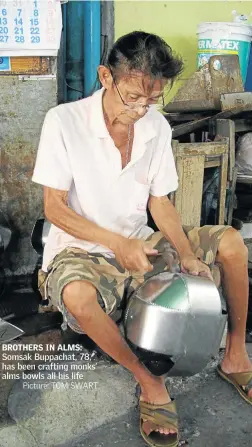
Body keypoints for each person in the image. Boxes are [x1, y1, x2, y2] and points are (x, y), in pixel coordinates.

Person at [32, 31, 252, 447]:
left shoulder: (154, 125)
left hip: (140, 240)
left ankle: (235, 353)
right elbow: (55, 209)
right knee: (79, 298)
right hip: (82, 249)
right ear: (105, 77)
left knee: (230, 245)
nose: (142, 109)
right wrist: (117, 245)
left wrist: (186, 254)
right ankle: (149, 381)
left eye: (153, 99)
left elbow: (161, 203)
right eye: (134, 96)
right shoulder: (64, 122)